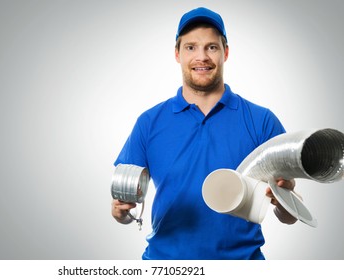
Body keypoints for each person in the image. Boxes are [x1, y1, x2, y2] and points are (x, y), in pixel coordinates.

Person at [111, 7, 297, 260]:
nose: (202, 57)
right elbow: (123, 202)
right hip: (164, 265)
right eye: (191, 47)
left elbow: (290, 217)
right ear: (177, 54)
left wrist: (284, 202)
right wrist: (121, 213)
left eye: (211, 47)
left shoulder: (262, 121)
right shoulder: (149, 122)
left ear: (225, 52)